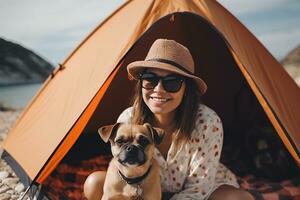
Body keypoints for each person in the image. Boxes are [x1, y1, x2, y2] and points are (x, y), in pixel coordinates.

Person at [84, 39, 254, 200]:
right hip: (144, 189)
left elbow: (198, 188)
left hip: (199, 193)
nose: (158, 89)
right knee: (94, 183)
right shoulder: (128, 119)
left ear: (187, 89)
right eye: (150, 79)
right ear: (141, 83)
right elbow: (119, 166)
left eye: (171, 82)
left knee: (239, 198)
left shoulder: (207, 122)